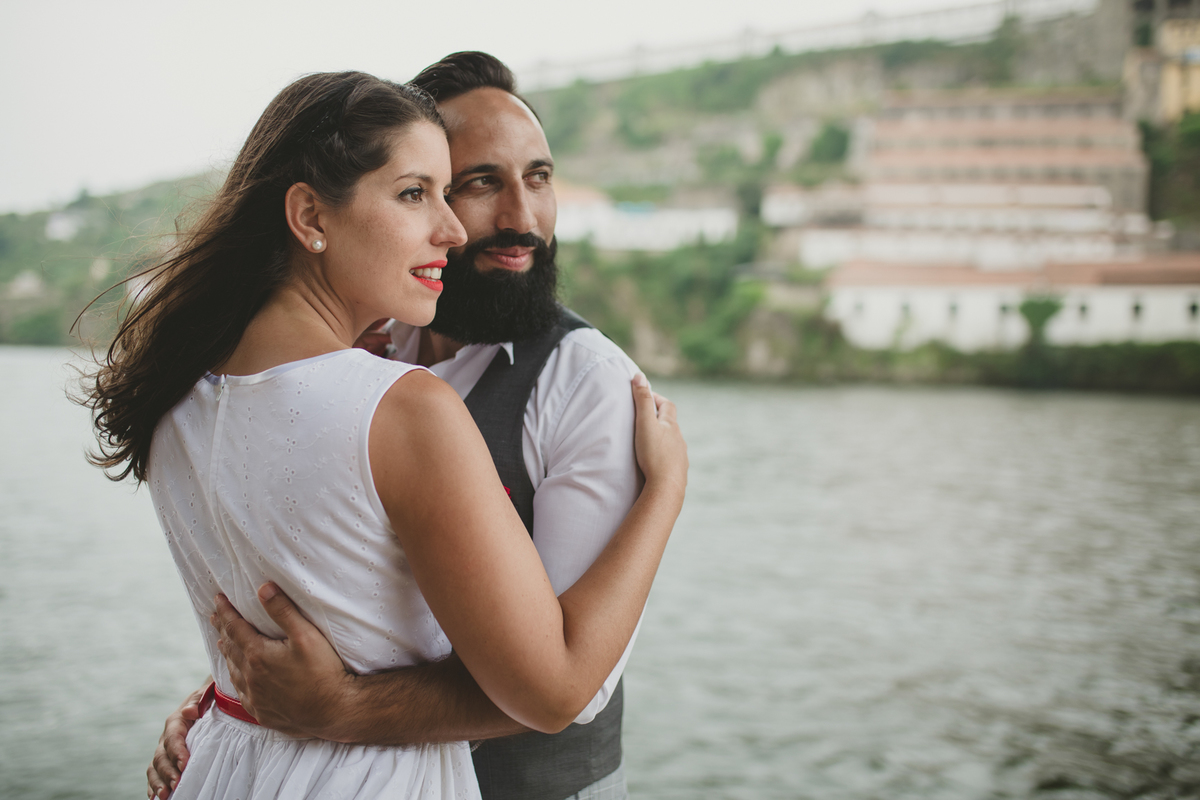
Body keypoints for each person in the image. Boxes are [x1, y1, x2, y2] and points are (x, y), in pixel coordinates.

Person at [82, 70, 686, 800]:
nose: (454, 229)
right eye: (418, 193)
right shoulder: (402, 401)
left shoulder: (181, 387)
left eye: (538, 177)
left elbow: (296, 598)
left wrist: (226, 706)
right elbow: (556, 688)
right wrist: (666, 491)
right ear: (310, 215)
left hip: (229, 770)